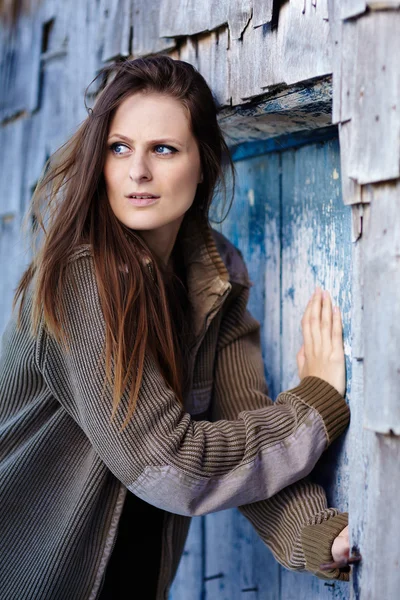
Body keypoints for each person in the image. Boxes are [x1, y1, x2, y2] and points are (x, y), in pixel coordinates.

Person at [0, 55, 351, 600]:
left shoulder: (216, 278)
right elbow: (173, 465)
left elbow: (242, 440)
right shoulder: (81, 279)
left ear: (204, 164)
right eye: (120, 148)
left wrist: (316, 534)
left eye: (163, 149)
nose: (138, 171)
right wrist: (317, 404)